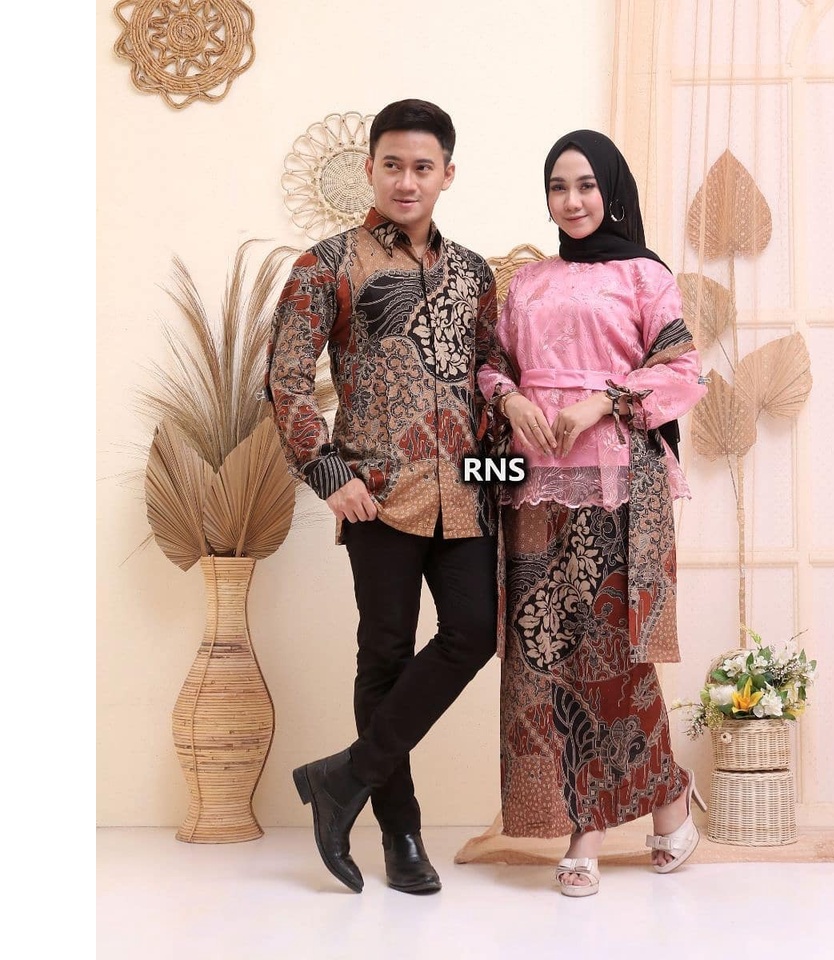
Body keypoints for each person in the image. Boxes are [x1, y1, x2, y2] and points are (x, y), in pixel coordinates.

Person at [265, 99, 500, 895]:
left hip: (464, 495)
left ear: (447, 175)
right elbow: (286, 379)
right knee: (387, 655)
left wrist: (506, 479)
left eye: (422, 167)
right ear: (369, 168)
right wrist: (330, 476)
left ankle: (344, 779)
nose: (407, 180)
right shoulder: (326, 262)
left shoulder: (474, 274)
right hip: (376, 494)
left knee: (473, 632)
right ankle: (402, 836)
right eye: (392, 165)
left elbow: (490, 380)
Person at [477, 129, 708, 897]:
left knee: (610, 657)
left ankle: (590, 829)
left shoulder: (645, 275)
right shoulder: (527, 283)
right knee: (545, 656)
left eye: (585, 184)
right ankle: (671, 797)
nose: (571, 200)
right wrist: (509, 399)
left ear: (612, 190)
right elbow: (491, 364)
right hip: (531, 484)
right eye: (557, 186)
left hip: (615, 484)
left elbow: (681, 371)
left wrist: (601, 403)